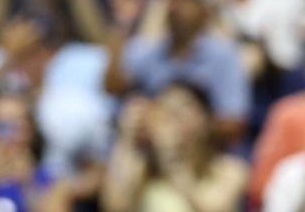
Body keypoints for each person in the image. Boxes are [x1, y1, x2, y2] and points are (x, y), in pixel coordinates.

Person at [104, 0, 252, 142]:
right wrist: (122, 26)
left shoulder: (223, 54)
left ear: (203, 9)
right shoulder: (150, 49)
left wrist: (188, 126)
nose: (176, 6)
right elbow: (112, 86)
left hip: (204, 153)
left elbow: (235, 123)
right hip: (154, 150)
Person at [101, 83, 247, 211]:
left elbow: (211, 208)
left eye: (181, 111)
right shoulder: (144, 169)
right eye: (166, 109)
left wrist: (171, 157)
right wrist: (127, 138)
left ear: (207, 120)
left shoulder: (230, 169)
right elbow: (116, 207)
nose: (172, 119)